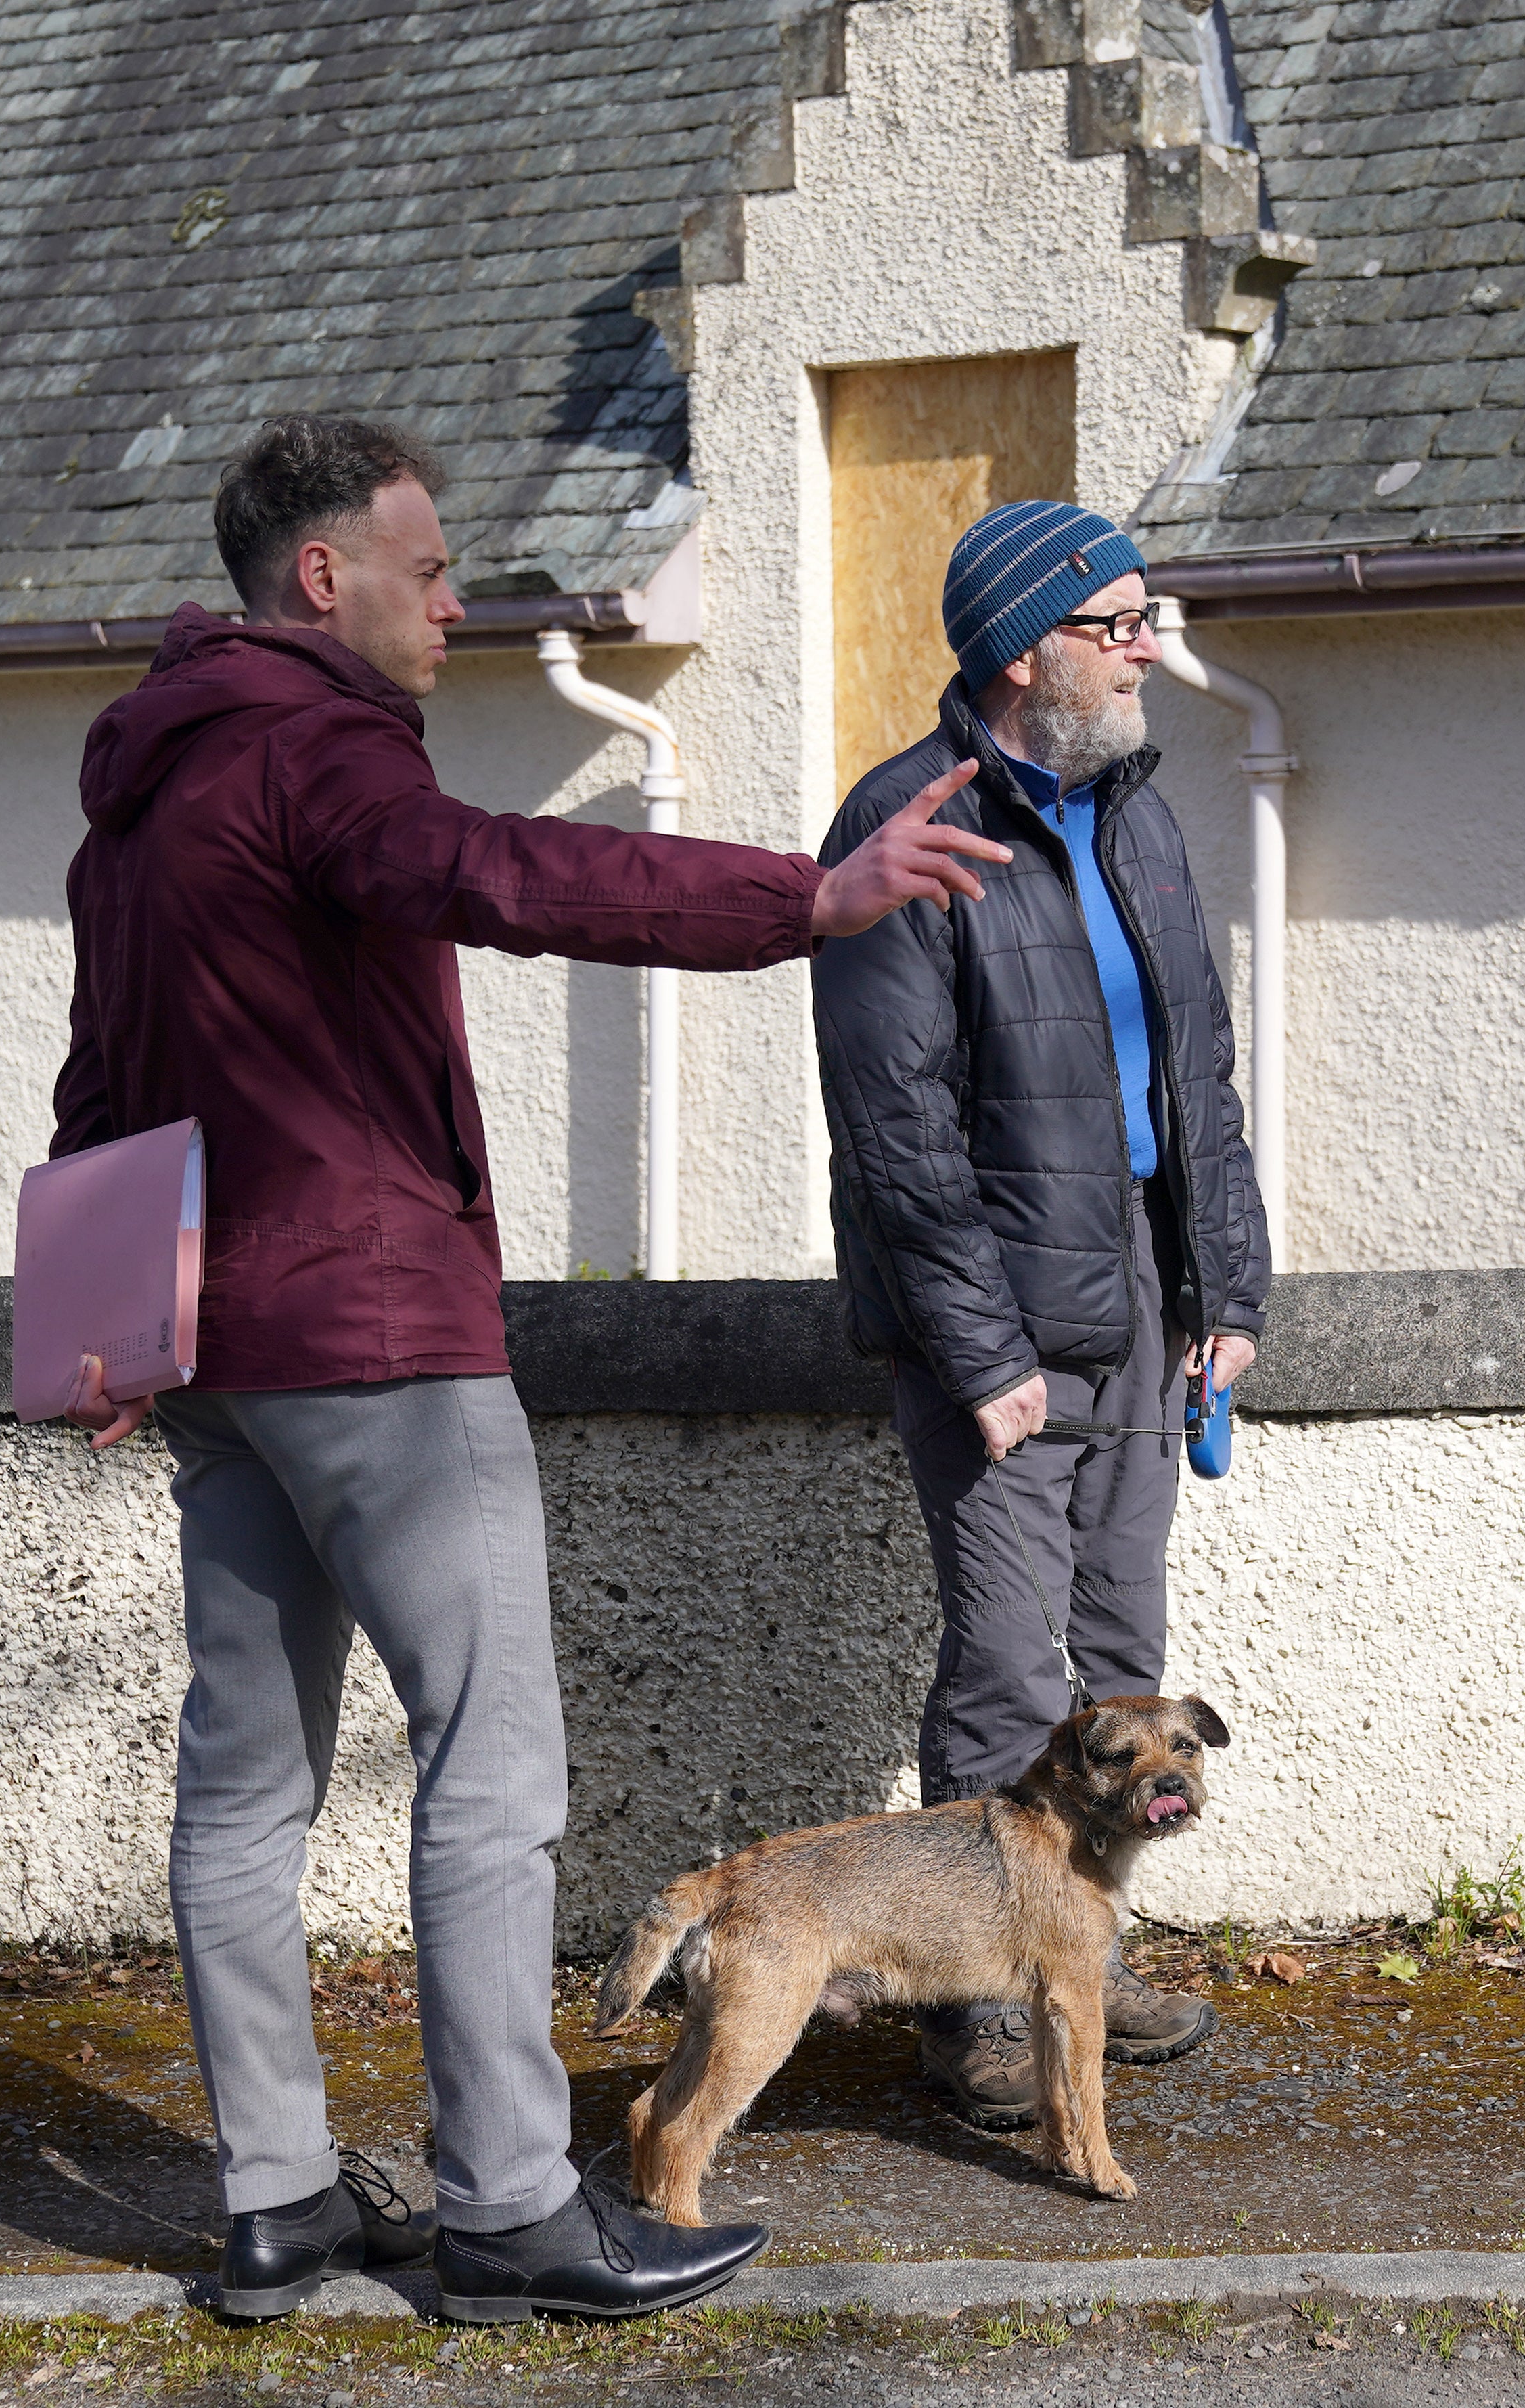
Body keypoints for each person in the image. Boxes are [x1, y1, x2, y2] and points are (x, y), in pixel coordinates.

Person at [49, 414, 1002, 2323]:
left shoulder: (143, 795)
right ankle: (505, 2203)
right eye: (430, 559)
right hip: (377, 1334)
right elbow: (505, 870)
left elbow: (104, 1074)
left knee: (244, 1787)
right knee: (491, 1770)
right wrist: (801, 900)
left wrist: (101, 1328)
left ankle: (280, 2198)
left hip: (218, 1360)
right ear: (323, 576)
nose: (457, 592)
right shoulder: (316, 750)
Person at [809, 499, 1272, 2126]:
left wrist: (1226, 1292)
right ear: (1023, 650)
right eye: (1120, 622)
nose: (1152, 647)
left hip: (1144, 1298)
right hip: (994, 1317)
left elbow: (1198, 1071)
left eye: (1150, 617)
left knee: (1128, 1662)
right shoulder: (905, 823)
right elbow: (897, 1134)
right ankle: (980, 2008)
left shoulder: (1138, 813)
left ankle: (1085, 1957)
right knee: (1011, 1671)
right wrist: (982, 1353)